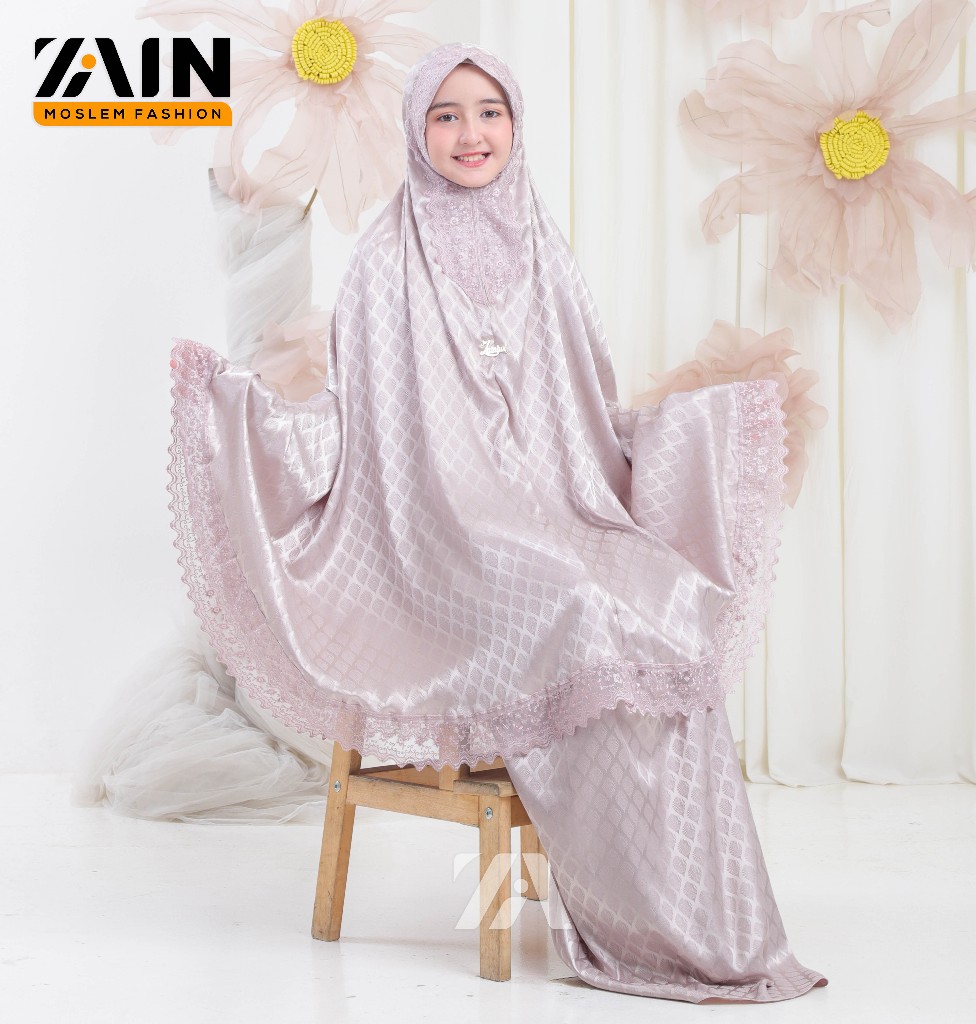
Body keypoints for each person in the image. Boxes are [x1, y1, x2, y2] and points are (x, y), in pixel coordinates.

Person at [167, 42, 827, 1003]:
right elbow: (369, 435)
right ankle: (644, 923)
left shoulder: (543, 249)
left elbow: (585, 416)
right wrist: (230, 407)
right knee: (580, 611)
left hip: (560, 513)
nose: (470, 133)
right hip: (432, 545)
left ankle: (698, 919)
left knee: (657, 602)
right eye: (445, 115)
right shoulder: (382, 263)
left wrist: (703, 425)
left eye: (489, 112)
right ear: (416, 133)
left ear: (516, 124)